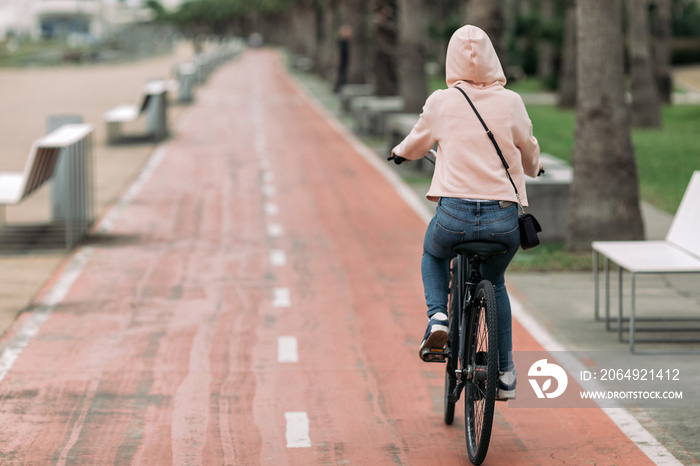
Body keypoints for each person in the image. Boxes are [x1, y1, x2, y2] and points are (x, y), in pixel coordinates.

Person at [389, 25, 542, 400]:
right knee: (497, 283)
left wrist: (399, 152)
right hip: (502, 221)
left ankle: (438, 317)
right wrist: (534, 168)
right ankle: (504, 372)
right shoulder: (512, 102)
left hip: (453, 217)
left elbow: (416, 140)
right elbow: (528, 147)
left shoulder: (442, 101)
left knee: (433, 251)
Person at [334, 25, 352, 93]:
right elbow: (339, 52)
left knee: (344, 74)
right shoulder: (341, 42)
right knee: (341, 74)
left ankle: (341, 87)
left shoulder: (348, 42)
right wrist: (338, 59)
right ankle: (339, 88)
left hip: (346, 60)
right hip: (342, 60)